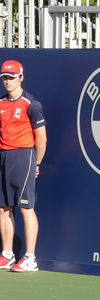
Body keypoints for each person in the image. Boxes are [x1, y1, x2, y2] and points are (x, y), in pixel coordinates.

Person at [0, 61, 46, 274]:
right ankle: (7, 255)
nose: (8, 81)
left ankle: (30, 258)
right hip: (3, 157)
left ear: (21, 77)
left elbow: (42, 139)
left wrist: (36, 163)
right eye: (5, 78)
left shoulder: (31, 104)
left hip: (24, 156)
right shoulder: (0, 103)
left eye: (11, 77)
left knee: (26, 208)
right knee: (3, 208)